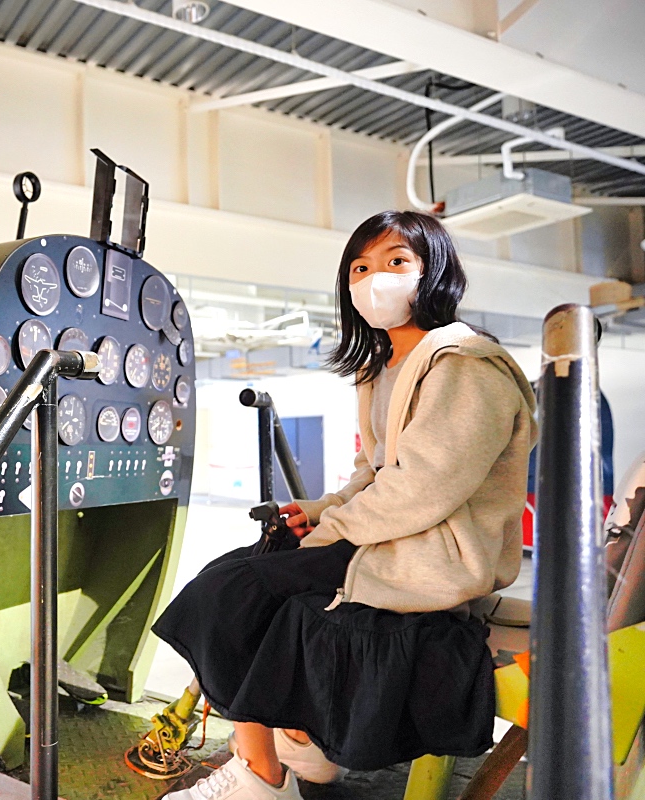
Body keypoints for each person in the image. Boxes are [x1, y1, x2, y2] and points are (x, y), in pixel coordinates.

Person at [153, 210, 539, 800]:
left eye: (395, 263)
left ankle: (261, 775)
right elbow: (375, 470)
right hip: (391, 536)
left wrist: (331, 530)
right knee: (232, 582)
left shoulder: (464, 368)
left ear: (433, 271)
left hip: (433, 553)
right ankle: (300, 750)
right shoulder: (382, 368)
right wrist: (324, 507)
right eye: (361, 267)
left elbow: (420, 488)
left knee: (236, 595)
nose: (374, 279)